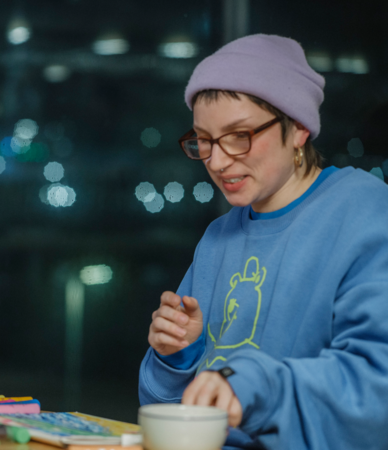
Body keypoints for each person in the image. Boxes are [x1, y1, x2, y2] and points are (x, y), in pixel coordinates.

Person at [138, 34, 388, 449]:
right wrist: (176, 357)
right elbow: (167, 413)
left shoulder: (365, 212)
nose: (217, 161)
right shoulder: (219, 237)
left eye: (239, 135)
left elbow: (375, 389)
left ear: (300, 128)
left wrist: (258, 383)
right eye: (204, 139)